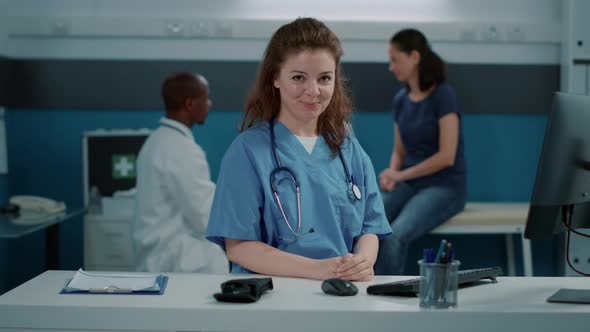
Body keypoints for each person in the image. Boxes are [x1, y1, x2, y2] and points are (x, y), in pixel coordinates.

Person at [206, 18, 391, 281]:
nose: (313, 91)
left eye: (324, 78)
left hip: (341, 294)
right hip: (272, 299)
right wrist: (319, 270)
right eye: (298, 77)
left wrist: (362, 262)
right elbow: (239, 247)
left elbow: (370, 229)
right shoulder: (248, 152)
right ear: (276, 79)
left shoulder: (348, 149)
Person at [374, 29, 467, 275]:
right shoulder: (401, 100)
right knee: (372, 227)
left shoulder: (443, 96)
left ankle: (387, 301)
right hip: (410, 183)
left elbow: (446, 157)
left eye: (394, 59)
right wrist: (392, 174)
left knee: (395, 236)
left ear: (414, 57)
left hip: (444, 187)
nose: (390, 67)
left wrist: (401, 176)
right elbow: (399, 151)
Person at [133, 72, 228, 273]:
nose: (209, 104)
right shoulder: (181, 149)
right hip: (175, 260)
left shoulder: (155, 141)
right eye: (206, 98)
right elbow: (204, 216)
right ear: (190, 104)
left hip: (156, 254)